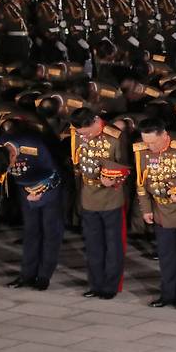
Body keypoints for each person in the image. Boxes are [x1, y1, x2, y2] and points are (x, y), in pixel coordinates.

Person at [134, 118, 176, 309]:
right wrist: (146, 209)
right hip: (160, 212)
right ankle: (167, 293)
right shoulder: (141, 151)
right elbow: (141, 183)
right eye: (146, 142)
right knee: (166, 257)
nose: (150, 146)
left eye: (153, 142)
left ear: (165, 135)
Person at [0, 132, 64, 291]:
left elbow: (55, 174)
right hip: (24, 189)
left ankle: (44, 275)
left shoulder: (33, 146)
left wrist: (41, 191)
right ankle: (27, 275)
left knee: (50, 231)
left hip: (48, 187)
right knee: (30, 231)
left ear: (12, 156)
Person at [70, 107, 130, 299]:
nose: (83, 137)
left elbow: (126, 166)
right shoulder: (77, 133)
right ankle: (95, 284)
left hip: (110, 198)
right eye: (81, 134)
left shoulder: (114, 136)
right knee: (93, 244)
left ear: (95, 122)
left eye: (86, 133)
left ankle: (111, 286)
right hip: (88, 196)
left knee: (113, 244)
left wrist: (115, 180)